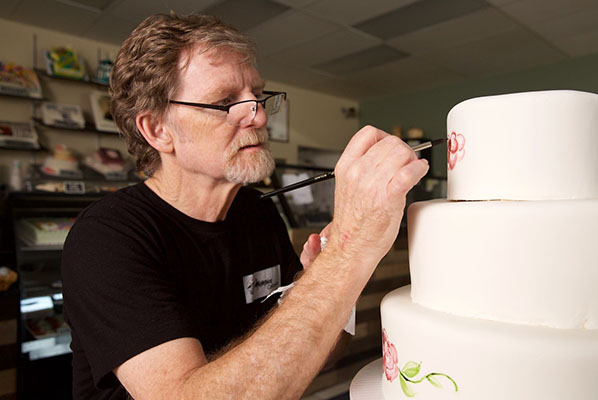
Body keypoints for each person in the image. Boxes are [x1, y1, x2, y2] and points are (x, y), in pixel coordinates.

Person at [61, 12, 429, 400]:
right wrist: (347, 253)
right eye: (225, 102)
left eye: (257, 95)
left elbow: (307, 357)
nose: (257, 114)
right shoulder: (106, 240)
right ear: (158, 130)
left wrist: (323, 280)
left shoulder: (257, 211)